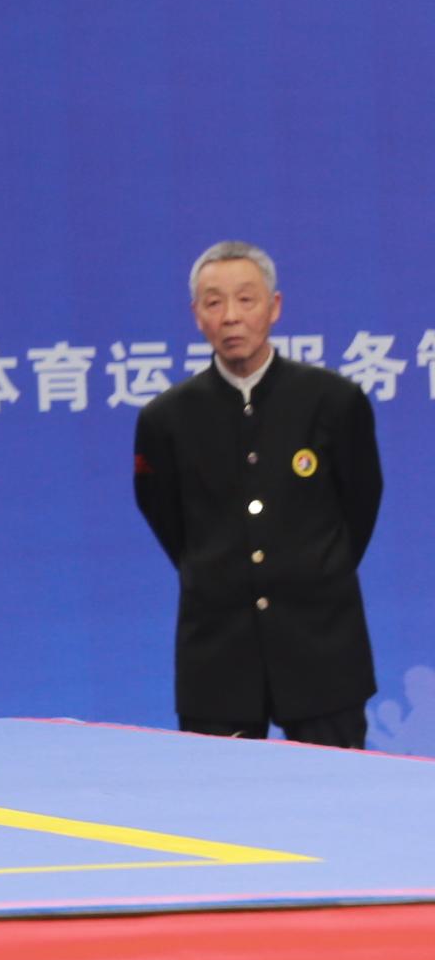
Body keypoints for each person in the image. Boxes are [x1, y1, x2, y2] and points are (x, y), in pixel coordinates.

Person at [135, 242, 383, 748]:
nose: (231, 316)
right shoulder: (166, 420)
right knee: (220, 796)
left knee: (336, 791)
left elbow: (361, 503)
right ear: (197, 315)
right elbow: (166, 517)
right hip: (218, 656)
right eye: (214, 302)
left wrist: (313, 567)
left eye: (246, 299)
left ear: (274, 307)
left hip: (323, 648)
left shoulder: (334, 401)